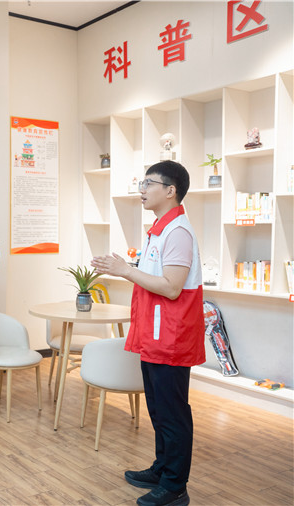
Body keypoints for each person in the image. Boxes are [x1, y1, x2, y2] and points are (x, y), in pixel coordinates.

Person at [91, 161, 203, 506]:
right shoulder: (159, 228)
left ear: (170, 190)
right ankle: (162, 468)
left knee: (172, 413)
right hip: (156, 334)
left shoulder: (178, 232)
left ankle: (175, 486)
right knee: (157, 407)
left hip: (171, 336)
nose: (142, 189)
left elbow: (171, 287)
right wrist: (126, 270)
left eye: (148, 183)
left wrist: (125, 270)